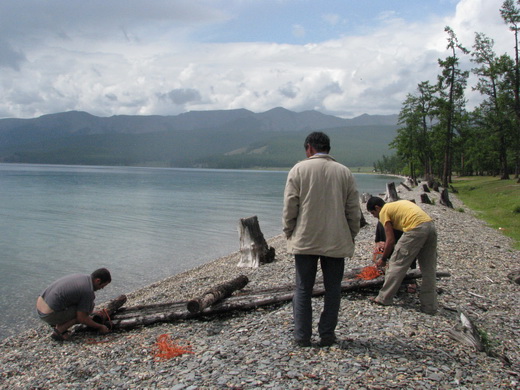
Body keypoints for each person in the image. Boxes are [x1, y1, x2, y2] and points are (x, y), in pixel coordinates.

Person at [283, 132, 360, 347]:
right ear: (328, 148)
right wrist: (351, 234)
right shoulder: (344, 172)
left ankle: (302, 337)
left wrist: (289, 230)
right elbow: (353, 210)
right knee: (333, 289)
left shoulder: (298, 169)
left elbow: (290, 205)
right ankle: (327, 335)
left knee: (303, 289)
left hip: (305, 239)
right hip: (336, 239)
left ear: (309, 148)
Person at [366, 197, 438, 314]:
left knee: (396, 263)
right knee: (429, 269)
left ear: (377, 207)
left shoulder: (384, 211)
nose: (374, 216)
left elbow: (390, 240)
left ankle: (384, 298)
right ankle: (429, 306)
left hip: (416, 228)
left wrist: (383, 259)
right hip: (430, 226)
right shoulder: (397, 205)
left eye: (373, 213)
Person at [36, 268, 112, 341]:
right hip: (48, 315)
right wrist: (100, 326)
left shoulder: (83, 277)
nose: (101, 288)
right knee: (80, 314)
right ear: (98, 281)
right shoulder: (88, 291)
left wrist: (91, 313)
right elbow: (81, 318)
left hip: (40, 306)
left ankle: (59, 323)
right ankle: (59, 331)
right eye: (102, 286)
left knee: (89, 306)